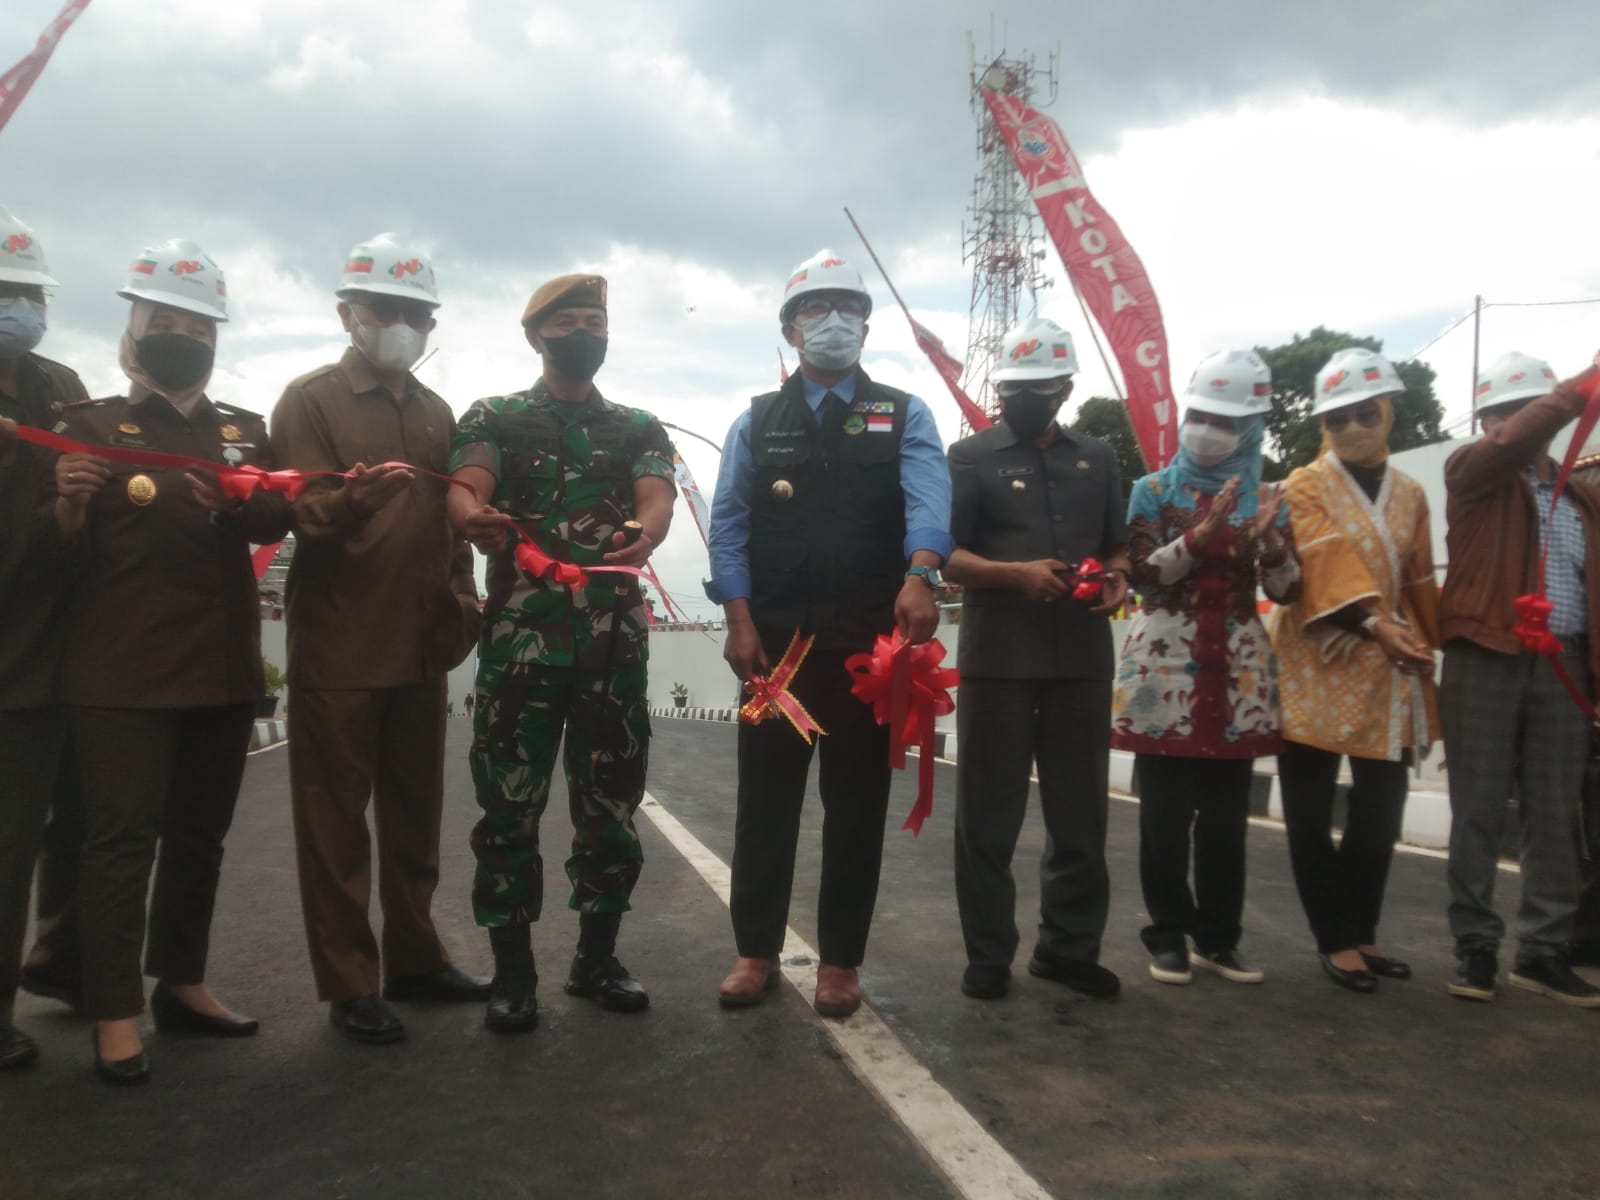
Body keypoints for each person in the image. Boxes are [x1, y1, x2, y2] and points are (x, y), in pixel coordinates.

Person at [49, 240, 292, 1084]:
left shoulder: (243, 433)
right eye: (165, 322)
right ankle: (113, 1009)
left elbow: (269, 524)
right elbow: (58, 568)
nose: (181, 336)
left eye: (197, 325)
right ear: (135, 327)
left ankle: (182, 981)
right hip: (117, 676)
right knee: (118, 842)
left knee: (200, 839)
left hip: (222, 668)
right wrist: (69, 515)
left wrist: (253, 502)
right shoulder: (83, 429)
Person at [707, 249, 952, 1018]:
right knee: (765, 802)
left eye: (849, 306)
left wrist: (922, 571)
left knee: (857, 804)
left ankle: (840, 962)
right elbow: (730, 526)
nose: (835, 320)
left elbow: (928, 496)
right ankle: (755, 952)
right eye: (818, 309)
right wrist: (738, 617)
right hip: (773, 654)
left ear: (868, 323)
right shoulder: (755, 420)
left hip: (864, 652)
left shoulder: (904, 412)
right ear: (790, 327)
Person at [271, 234, 486, 1046]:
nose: (399, 324)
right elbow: (302, 515)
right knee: (334, 824)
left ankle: (417, 958)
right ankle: (351, 982)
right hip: (339, 647)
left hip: (421, 645)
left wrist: (464, 605)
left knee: (414, 818)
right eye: (383, 309)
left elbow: (451, 528)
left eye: (414, 313)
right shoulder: (311, 400)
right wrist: (352, 503)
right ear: (347, 314)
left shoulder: (435, 412)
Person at [448, 273, 675, 1034]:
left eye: (596, 320)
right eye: (568, 321)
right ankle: (514, 975)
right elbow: (466, 483)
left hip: (614, 646)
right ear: (536, 336)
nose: (585, 332)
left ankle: (596, 959)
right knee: (509, 809)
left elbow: (657, 495)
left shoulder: (639, 425)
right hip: (522, 647)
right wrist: (474, 516)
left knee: (610, 805)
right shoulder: (497, 416)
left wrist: (648, 532)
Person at [944, 317, 1129, 1002]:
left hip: (1082, 655)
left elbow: (1116, 545)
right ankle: (989, 953)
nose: (1024, 398)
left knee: (1081, 815)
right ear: (1000, 389)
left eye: (1039, 387)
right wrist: (1014, 574)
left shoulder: (1100, 458)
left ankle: (1068, 948)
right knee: (988, 817)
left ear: (1065, 388)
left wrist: (1116, 576)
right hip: (999, 656)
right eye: (1013, 388)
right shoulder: (970, 457)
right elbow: (946, 556)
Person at [1112, 350, 1301, 986]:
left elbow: (1289, 586)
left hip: (1239, 671)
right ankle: (1166, 934)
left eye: (1227, 420)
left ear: (1250, 429)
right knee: (1165, 814)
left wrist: (1272, 539)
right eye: (1201, 414)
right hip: (1164, 671)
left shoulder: (1271, 494)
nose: (1209, 428)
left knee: (1226, 819)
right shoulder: (1153, 490)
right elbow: (1140, 574)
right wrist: (1203, 533)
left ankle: (1220, 939)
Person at [1271, 349, 1439, 993]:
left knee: (1380, 811)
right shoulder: (1304, 484)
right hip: (1316, 658)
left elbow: (1419, 576)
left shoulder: (1414, 494)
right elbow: (1325, 560)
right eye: (1337, 418)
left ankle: (1362, 930)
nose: (1352, 428)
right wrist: (1377, 624)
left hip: (1389, 670)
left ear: (1387, 411)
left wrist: (1433, 637)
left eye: (1364, 413)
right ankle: (1334, 938)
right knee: (1310, 812)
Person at [1439, 352, 1600, 1007]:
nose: (1511, 424)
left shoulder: (1583, 495)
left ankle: (1542, 951)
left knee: (1555, 815)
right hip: (1486, 651)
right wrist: (1572, 390)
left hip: (1566, 662)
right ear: (1486, 420)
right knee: (1477, 810)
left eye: (1521, 409)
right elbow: (1505, 447)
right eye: (1503, 413)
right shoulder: (1473, 473)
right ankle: (1476, 947)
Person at [0, 208, 87, 1068]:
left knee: (80, 825)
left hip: (74, 646)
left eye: (28, 293)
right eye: (4, 293)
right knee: (5, 843)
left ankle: (61, 963)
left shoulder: (60, 385)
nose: (18, 308)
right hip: (8, 654)